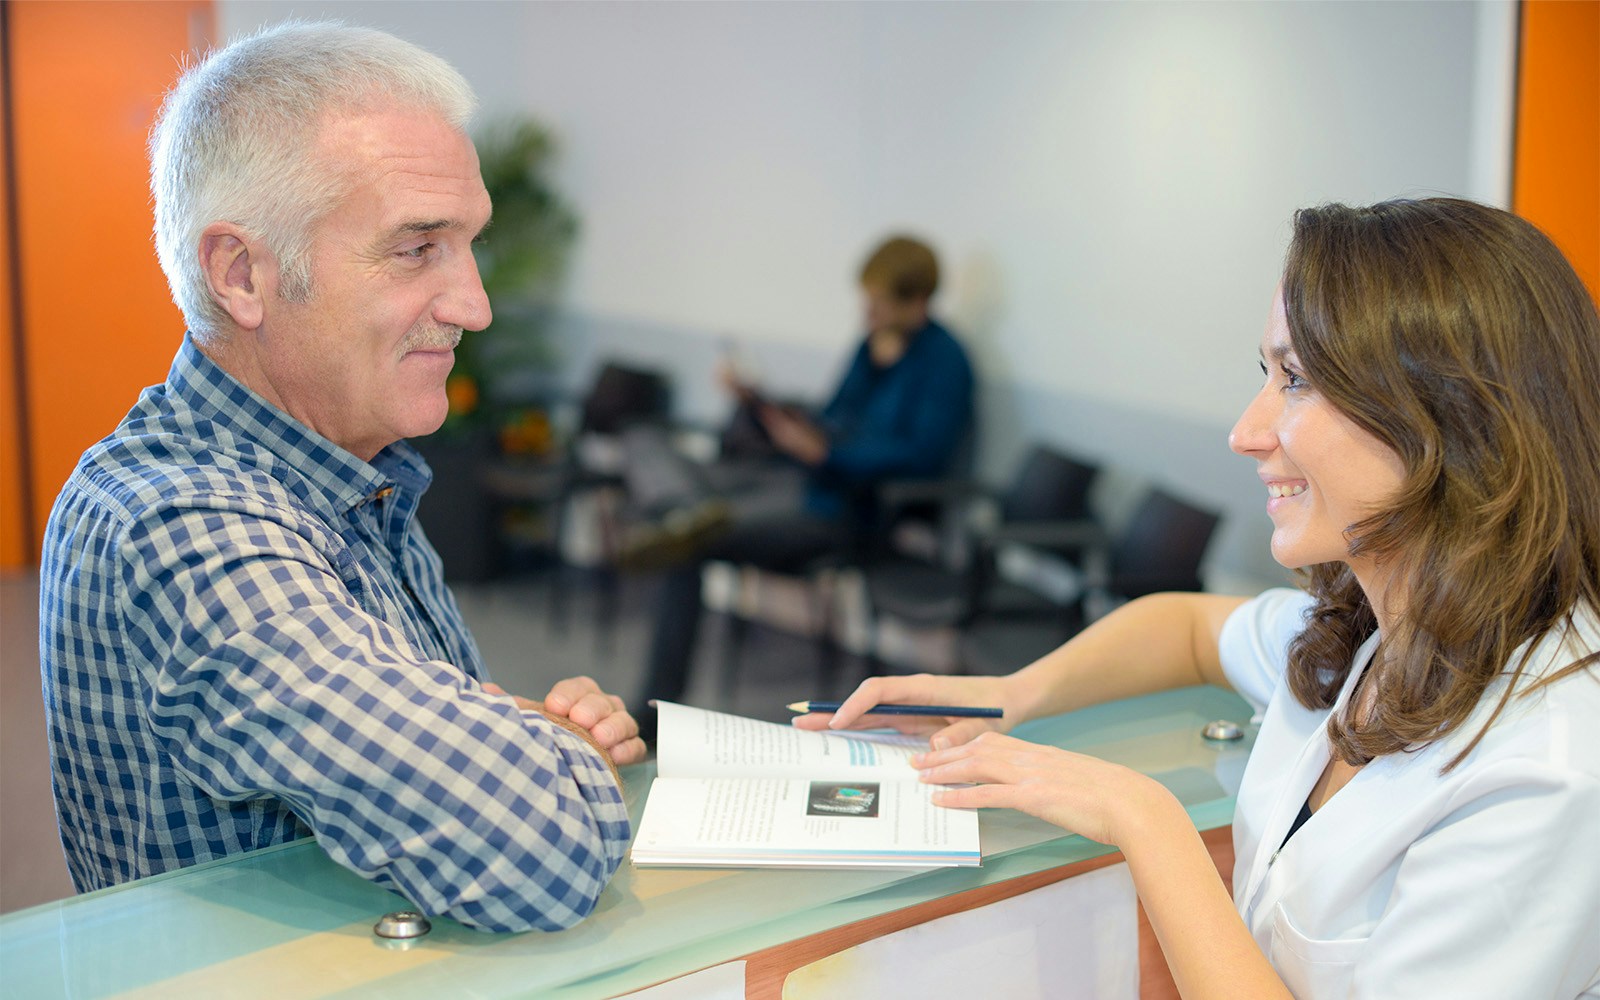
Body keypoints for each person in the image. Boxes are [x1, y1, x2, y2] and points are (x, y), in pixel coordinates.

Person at [800, 199, 1600, 996]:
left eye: (1296, 380)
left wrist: (1145, 821)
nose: (1247, 431)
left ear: (1451, 420)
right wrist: (1010, 695)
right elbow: (1184, 627)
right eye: (1267, 375)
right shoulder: (1369, 634)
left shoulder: (1549, 767)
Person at [37, 22, 643, 934]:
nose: (473, 304)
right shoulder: (184, 523)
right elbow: (533, 850)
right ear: (242, 273)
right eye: (415, 248)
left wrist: (509, 739)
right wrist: (552, 757)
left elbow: (449, 755)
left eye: (469, 244)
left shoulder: (352, 474)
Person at [633, 235, 975, 739]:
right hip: (799, 480)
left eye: (879, 304)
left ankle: (654, 717)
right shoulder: (870, 348)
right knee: (644, 437)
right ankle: (687, 510)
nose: (868, 313)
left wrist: (830, 456)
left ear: (917, 302)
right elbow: (833, 416)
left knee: (690, 546)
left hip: (848, 512)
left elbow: (922, 456)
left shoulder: (946, 363)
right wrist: (765, 404)